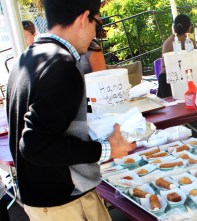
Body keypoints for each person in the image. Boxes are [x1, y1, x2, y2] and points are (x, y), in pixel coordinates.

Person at [6, 0, 135, 220]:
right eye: (97, 22)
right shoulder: (62, 66)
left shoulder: (25, 59)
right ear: (85, 18)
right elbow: (34, 144)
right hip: (66, 204)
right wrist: (106, 149)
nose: (96, 31)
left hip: (40, 201)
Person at [157, 14, 196, 98]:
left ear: (173, 27)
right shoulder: (190, 42)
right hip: (185, 78)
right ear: (189, 27)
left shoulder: (167, 43)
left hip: (165, 79)